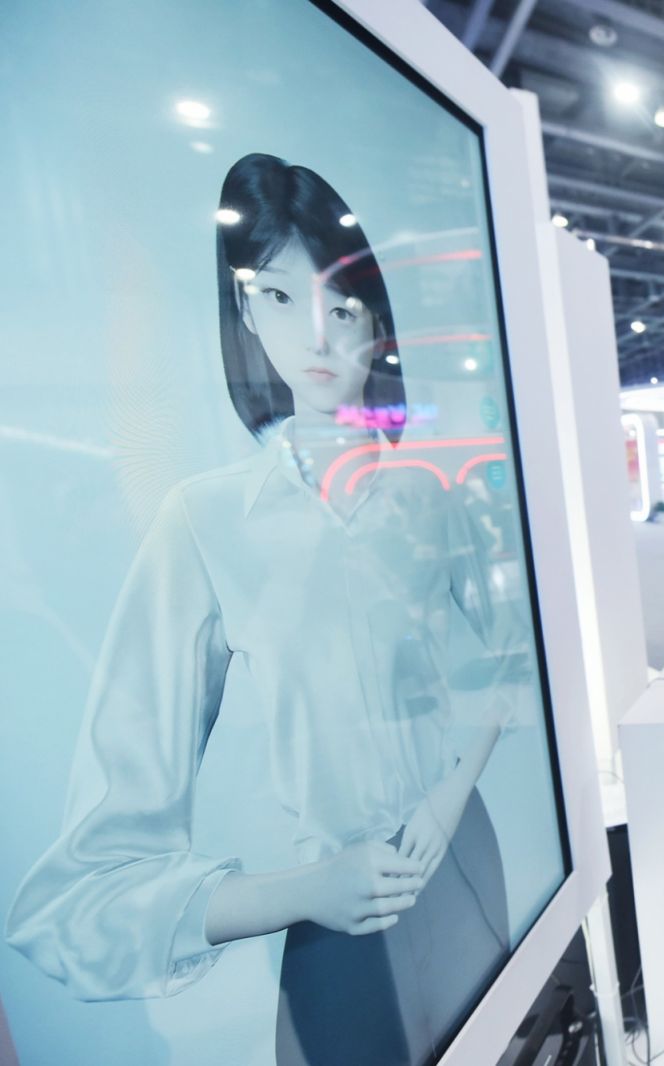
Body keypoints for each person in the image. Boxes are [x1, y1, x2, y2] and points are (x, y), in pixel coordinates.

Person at [4, 154, 525, 1065]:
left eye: (342, 304)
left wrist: (442, 809)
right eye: (281, 298)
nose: (317, 333)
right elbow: (74, 899)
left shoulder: (430, 495)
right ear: (245, 311)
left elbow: (503, 660)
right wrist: (302, 889)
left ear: (375, 323)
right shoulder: (205, 522)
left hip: (464, 857)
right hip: (342, 918)